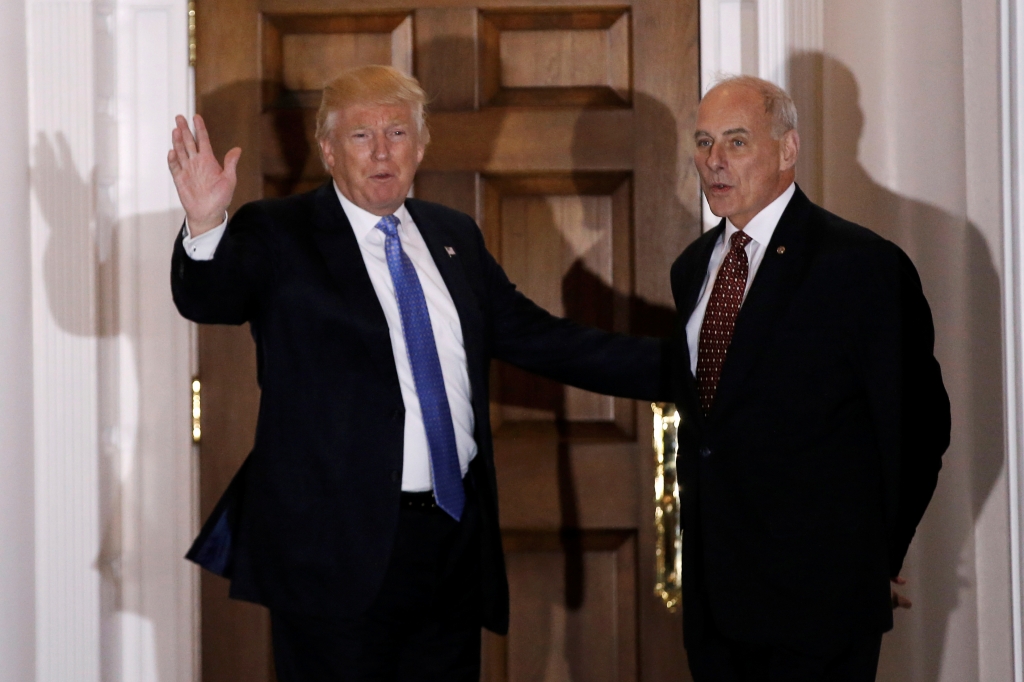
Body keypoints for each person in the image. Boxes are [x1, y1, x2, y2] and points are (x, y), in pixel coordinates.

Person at [167, 65, 667, 680]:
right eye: (360, 136)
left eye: (397, 132)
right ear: (327, 149)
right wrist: (205, 225)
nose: (382, 151)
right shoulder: (279, 232)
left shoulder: (452, 235)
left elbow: (543, 339)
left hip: (450, 541)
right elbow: (211, 299)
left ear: (421, 145)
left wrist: (693, 368)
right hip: (333, 555)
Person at [670, 75, 950, 681]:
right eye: (703, 142)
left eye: (737, 142)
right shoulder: (692, 268)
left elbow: (919, 428)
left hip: (820, 609)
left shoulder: (860, 265)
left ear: (788, 150)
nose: (713, 162)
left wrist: (874, 556)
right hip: (716, 608)